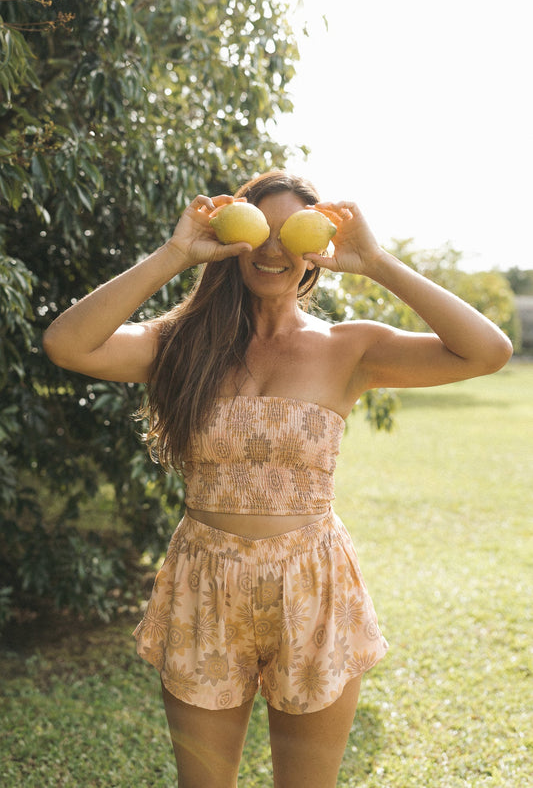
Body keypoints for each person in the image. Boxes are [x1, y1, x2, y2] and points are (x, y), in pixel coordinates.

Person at [43, 170, 512, 788]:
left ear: (316, 248)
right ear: (231, 240)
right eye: (260, 230)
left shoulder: (351, 347)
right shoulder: (181, 345)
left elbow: (489, 351)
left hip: (312, 585)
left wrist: (375, 262)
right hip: (204, 582)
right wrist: (175, 253)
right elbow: (67, 344)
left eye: (292, 233)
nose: (272, 250)